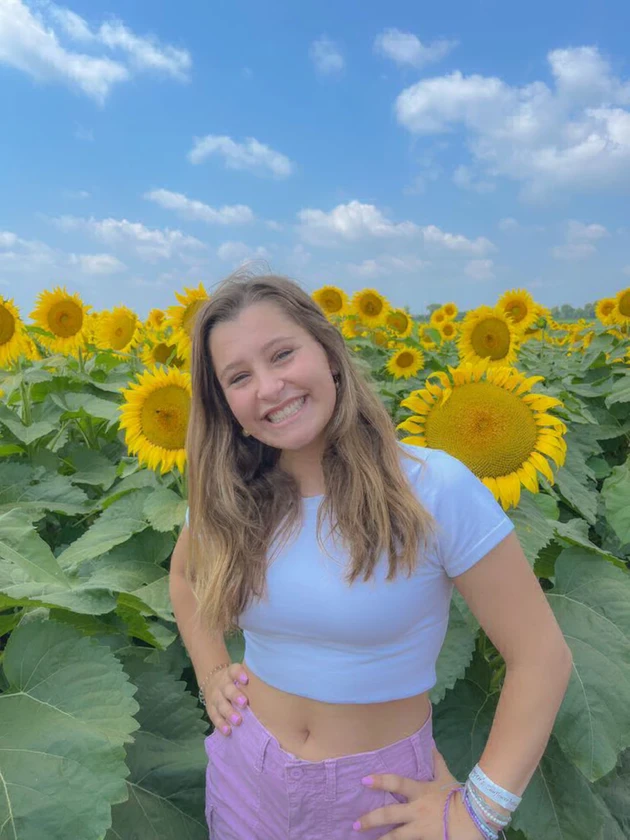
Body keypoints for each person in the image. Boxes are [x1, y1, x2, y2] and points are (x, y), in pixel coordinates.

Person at [168, 272, 573, 840]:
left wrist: (481, 811)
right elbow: (184, 577)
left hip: (379, 797)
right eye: (239, 377)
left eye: (282, 354)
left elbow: (541, 656)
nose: (269, 387)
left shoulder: (431, 488)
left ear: (328, 353)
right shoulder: (229, 497)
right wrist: (212, 670)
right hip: (245, 777)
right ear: (225, 404)